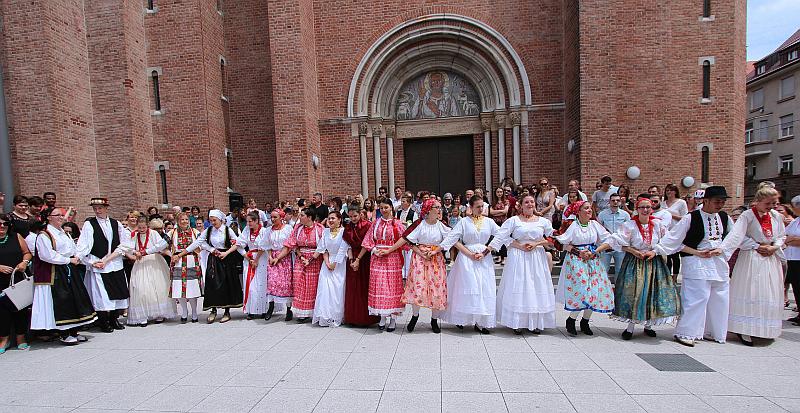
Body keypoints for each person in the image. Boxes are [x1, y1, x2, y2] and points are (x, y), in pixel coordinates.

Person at [654, 186, 734, 347]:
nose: (720, 204)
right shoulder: (691, 218)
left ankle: (712, 331)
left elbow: (733, 239)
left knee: (719, 297)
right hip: (697, 262)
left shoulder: (725, 218)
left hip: (718, 262)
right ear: (706, 200)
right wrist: (697, 252)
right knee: (696, 298)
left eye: (723, 201)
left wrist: (722, 249)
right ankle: (686, 332)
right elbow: (674, 241)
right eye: (717, 201)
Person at [720, 185, 785, 346]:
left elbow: (782, 235)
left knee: (768, 292)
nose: (770, 207)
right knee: (751, 290)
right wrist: (755, 246)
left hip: (770, 258)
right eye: (767, 204)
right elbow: (737, 236)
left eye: (773, 203)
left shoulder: (776, 216)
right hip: (751, 258)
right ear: (758, 201)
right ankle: (745, 329)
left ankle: (765, 328)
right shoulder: (747, 216)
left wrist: (774, 246)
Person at [608, 196, 680, 340]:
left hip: (654, 263)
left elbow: (668, 242)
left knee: (651, 293)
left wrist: (655, 251)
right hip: (635, 263)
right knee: (636, 293)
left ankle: (648, 325)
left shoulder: (658, 225)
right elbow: (617, 242)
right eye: (642, 207)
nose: (646, 210)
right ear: (637, 209)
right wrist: (634, 251)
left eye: (648, 207)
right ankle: (630, 327)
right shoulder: (629, 225)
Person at [487, 194, 556, 334]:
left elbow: (552, 238)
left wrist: (537, 243)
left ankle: (536, 321)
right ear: (520, 205)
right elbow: (502, 236)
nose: (530, 204)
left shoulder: (543, 221)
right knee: (519, 285)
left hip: (536, 256)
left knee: (535, 286)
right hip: (518, 255)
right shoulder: (514, 220)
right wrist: (517, 246)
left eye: (532, 202)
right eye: (526, 202)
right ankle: (517, 321)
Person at [383, 198, 450, 333]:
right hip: (420, 259)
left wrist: (435, 251)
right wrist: (420, 252)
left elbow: (451, 239)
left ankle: (434, 320)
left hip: (435, 259)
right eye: (436, 207)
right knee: (418, 288)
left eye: (440, 207)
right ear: (429, 209)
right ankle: (414, 316)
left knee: (436, 289)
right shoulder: (420, 224)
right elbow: (407, 241)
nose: (439, 210)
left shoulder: (441, 225)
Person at [31, 208, 97, 345]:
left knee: (74, 299)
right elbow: (47, 255)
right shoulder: (44, 235)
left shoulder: (64, 233)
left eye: (62, 215)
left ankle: (74, 331)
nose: (61, 217)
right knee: (61, 300)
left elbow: (72, 249)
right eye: (58, 215)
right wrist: (68, 260)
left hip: (68, 269)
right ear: (49, 217)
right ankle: (64, 333)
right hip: (55, 272)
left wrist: (77, 257)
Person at [555, 200, 615, 336]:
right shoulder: (573, 225)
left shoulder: (594, 225)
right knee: (582, 291)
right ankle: (571, 319)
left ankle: (585, 321)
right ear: (578, 211)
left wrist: (595, 250)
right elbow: (562, 243)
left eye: (590, 208)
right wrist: (578, 252)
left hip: (593, 261)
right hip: (577, 262)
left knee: (595, 291)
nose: (589, 211)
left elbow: (610, 239)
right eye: (586, 208)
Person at [175, 209, 243, 323]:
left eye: (214, 220)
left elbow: (237, 243)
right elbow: (198, 242)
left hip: (226, 259)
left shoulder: (227, 230)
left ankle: (226, 311)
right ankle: (213, 309)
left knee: (226, 284)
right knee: (212, 283)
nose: (213, 222)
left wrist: (226, 253)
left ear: (220, 220)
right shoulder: (209, 230)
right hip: (214, 259)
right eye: (211, 220)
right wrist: (211, 249)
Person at [75, 198, 130, 333]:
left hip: (114, 262)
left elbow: (124, 244)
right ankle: (103, 321)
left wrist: (109, 259)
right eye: (95, 208)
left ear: (106, 208)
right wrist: (84, 259)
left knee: (118, 292)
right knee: (101, 295)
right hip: (98, 263)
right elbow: (84, 244)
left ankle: (113, 319)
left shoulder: (115, 223)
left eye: (100, 208)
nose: (97, 211)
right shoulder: (89, 224)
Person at [359, 198, 406, 331]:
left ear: (391, 208)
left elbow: (405, 240)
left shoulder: (397, 224)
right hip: (378, 257)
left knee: (392, 287)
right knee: (379, 286)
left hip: (393, 258)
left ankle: (392, 318)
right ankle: (382, 317)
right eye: (381, 208)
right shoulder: (375, 223)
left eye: (386, 207)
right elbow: (368, 240)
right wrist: (374, 250)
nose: (383, 210)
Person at [122, 216, 175, 327]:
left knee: (157, 288)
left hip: (154, 262)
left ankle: (159, 314)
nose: (142, 229)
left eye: (144, 227)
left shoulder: (153, 234)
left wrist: (146, 252)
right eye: (139, 227)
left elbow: (160, 246)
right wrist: (134, 252)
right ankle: (143, 315)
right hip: (141, 263)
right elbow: (128, 247)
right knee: (141, 288)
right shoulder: (134, 235)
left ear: (148, 226)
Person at [284, 209, 324, 322]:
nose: (299, 217)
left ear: (309, 217)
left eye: (302, 215)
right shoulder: (298, 228)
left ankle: (313, 311)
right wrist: (300, 255)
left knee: (312, 285)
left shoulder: (320, 228)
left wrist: (310, 259)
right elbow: (293, 244)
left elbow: (323, 245)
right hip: (300, 258)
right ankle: (301, 312)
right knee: (298, 283)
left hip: (315, 259)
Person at [0, 213, 33, 352]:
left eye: (5, 224)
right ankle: (4, 339)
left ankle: (21, 338)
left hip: (17, 278)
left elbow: (27, 252)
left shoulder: (16, 237)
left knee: (21, 308)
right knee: (2, 311)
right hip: (0, 281)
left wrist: (24, 262)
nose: (2, 227)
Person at [343, 203, 380, 327]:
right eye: (351, 216)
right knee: (352, 288)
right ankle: (352, 317)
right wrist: (352, 260)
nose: (353, 218)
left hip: (365, 258)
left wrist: (358, 259)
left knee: (364, 287)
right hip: (352, 258)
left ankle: (366, 318)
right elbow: (347, 245)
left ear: (360, 214)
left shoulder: (368, 225)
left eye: (355, 216)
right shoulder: (347, 227)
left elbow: (367, 243)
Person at [310, 211, 349, 327]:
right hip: (327, 263)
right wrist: (326, 262)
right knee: (324, 289)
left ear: (339, 220)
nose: (330, 221)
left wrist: (335, 263)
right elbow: (322, 249)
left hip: (340, 263)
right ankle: (324, 315)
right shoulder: (325, 232)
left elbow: (343, 249)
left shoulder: (343, 232)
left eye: (333, 218)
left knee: (337, 290)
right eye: (329, 218)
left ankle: (336, 316)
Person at [168, 212, 202, 323]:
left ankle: (194, 312)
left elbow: (202, 244)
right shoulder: (172, 233)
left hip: (192, 261)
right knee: (178, 289)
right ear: (178, 221)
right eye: (182, 220)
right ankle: (184, 311)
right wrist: (172, 255)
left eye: (186, 219)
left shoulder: (195, 232)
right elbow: (161, 246)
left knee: (192, 288)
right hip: (177, 262)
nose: (184, 222)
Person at [237, 211, 269, 320]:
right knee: (250, 286)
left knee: (262, 285)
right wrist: (246, 256)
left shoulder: (264, 231)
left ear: (256, 221)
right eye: (247, 221)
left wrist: (256, 260)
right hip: (249, 259)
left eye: (250, 221)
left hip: (262, 259)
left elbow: (264, 246)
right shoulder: (246, 231)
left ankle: (263, 309)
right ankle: (251, 310)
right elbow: (239, 245)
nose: (248, 223)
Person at [265, 209, 294, 320]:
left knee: (285, 283)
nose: (272, 219)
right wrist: (271, 257)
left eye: (275, 217)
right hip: (273, 258)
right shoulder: (269, 230)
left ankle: (288, 309)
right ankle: (271, 306)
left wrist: (278, 257)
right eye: (271, 217)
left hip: (284, 257)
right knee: (272, 282)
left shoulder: (287, 229)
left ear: (281, 217)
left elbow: (289, 245)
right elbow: (267, 245)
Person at [596, 193, 630, 276]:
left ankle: (618, 289)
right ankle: (604, 289)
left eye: (617, 200)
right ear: (609, 202)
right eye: (613, 200)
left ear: (620, 202)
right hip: (606, 246)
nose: (615, 202)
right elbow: (599, 229)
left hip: (620, 246)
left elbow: (629, 230)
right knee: (603, 270)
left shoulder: (625, 215)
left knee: (620, 270)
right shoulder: (602, 214)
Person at [395, 195, 416, 279]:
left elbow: (415, 225)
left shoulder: (413, 213)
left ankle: (408, 273)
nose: (402, 203)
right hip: (400, 235)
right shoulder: (398, 212)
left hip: (409, 236)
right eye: (401, 201)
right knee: (401, 255)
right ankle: (402, 272)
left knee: (408, 255)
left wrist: (407, 224)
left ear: (408, 203)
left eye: (404, 201)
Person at [490, 187, 510, 265]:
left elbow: (506, 211)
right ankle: (498, 256)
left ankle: (504, 257)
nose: (499, 193)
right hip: (495, 223)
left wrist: (497, 212)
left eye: (501, 192)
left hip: (503, 223)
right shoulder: (493, 202)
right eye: (498, 192)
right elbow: (491, 212)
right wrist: (501, 212)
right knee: (497, 239)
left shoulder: (506, 201)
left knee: (503, 239)